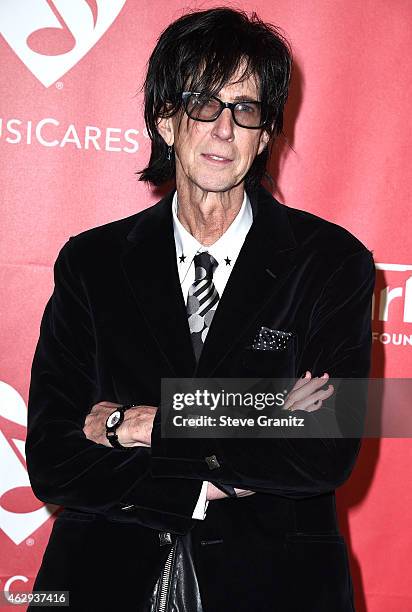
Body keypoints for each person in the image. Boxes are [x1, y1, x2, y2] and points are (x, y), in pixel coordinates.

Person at [26, 7, 375, 612]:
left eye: (246, 109)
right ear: (165, 120)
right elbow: (55, 459)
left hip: (276, 586)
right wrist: (246, 430)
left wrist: (138, 424)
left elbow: (324, 449)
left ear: (266, 132)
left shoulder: (331, 262)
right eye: (203, 104)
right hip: (101, 576)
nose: (224, 129)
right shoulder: (92, 263)